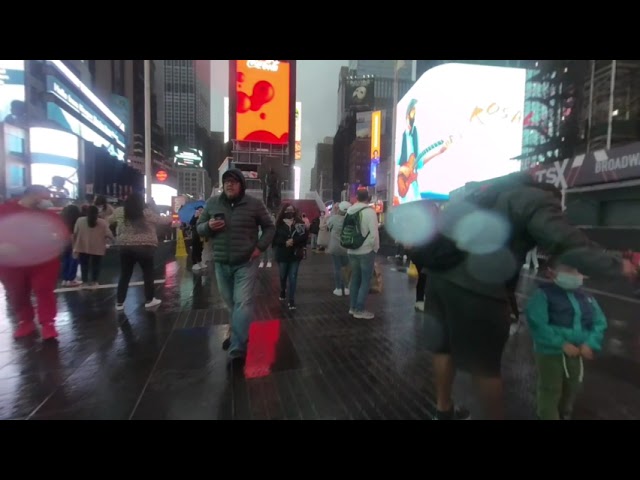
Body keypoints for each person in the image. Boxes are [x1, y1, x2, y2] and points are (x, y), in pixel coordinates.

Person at [422, 171, 636, 420]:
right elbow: (565, 241)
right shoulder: (536, 199)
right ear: (551, 196)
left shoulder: (482, 192)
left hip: (439, 277)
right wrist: (618, 265)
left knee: (443, 348)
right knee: (485, 366)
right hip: (478, 286)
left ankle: (443, 409)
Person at [197, 168, 275, 365]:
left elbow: (270, 227)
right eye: (226, 181)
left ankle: (238, 348)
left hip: (246, 262)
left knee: (242, 303)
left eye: (234, 181)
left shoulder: (254, 204)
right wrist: (208, 227)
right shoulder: (213, 203)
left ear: (241, 184)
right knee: (232, 304)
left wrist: (259, 247)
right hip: (222, 263)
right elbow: (199, 226)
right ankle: (237, 334)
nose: (229, 184)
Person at [526, 256, 607, 420]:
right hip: (550, 353)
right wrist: (561, 344)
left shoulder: (587, 298)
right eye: (568, 271)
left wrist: (590, 343)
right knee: (551, 388)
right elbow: (537, 323)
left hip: (577, 352)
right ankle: (548, 415)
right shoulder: (543, 295)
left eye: (576, 271)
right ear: (551, 273)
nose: (573, 274)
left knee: (572, 386)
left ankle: (564, 412)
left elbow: (600, 321)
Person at [0, 185, 63, 340]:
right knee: (17, 292)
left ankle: (48, 323)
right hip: (13, 263)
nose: (48, 201)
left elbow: (61, 234)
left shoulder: (50, 216)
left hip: (43, 261)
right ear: (34, 195)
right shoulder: (5, 210)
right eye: (45, 197)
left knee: (44, 289)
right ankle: (25, 321)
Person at [109, 192, 171, 310]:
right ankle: (149, 300)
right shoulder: (146, 212)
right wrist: (171, 216)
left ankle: (119, 303)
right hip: (145, 248)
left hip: (125, 247)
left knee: (125, 274)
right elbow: (161, 220)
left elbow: (108, 220)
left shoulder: (119, 212)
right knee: (148, 273)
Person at [344, 188, 380, 319]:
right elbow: (374, 234)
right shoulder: (369, 212)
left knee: (354, 279)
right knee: (365, 281)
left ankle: (352, 308)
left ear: (357, 198)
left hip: (351, 250)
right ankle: (359, 309)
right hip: (366, 251)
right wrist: (374, 248)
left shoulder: (350, 210)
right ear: (368, 198)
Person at [272, 203, 308, 310]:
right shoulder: (278, 224)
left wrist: (294, 241)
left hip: (295, 255)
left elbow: (304, 237)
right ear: (284, 211)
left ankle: (291, 299)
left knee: (293, 276)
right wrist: (284, 242)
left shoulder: (299, 223)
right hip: (282, 254)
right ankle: (283, 290)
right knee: (283, 275)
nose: (289, 212)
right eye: (287, 210)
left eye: (291, 210)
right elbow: (274, 240)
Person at [73, 205, 114, 287]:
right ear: (97, 213)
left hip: (83, 246)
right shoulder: (103, 222)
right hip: (97, 247)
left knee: (84, 265)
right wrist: (114, 240)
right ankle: (94, 282)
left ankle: (84, 282)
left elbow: (75, 233)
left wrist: (74, 245)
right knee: (96, 265)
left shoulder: (79, 220)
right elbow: (109, 234)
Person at [327, 201, 351, 296]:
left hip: (335, 247)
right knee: (346, 268)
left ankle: (338, 288)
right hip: (346, 247)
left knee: (337, 268)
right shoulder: (350, 220)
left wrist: (333, 211)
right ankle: (346, 287)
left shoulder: (334, 218)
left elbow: (328, 225)